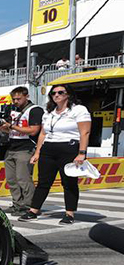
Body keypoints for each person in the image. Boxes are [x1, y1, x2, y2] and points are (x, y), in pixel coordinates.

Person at [20, 85, 91, 225]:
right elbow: (43, 133)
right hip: (48, 149)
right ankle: (33, 210)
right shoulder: (49, 112)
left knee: (69, 182)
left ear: (68, 94)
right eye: (53, 93)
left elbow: (85, 132)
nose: (56, 95)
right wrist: (38, 152)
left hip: (69, 148)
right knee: (43, 182)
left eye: (60, 92)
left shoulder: (78, 110)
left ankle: (69, 214)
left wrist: (82, 153)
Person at [0, 86, 43, 215]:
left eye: (18, 98)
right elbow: (11, 130)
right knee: (11, 179)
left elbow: (34, 130)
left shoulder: (35, 110)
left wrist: (12, 126)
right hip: (11, 147)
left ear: (26, 96)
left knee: (23, 179)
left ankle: (30, 206)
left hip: (26, 147)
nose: (15, 101)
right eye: (14, 99)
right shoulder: (13, 111)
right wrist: (1, 127)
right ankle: (17, 204)